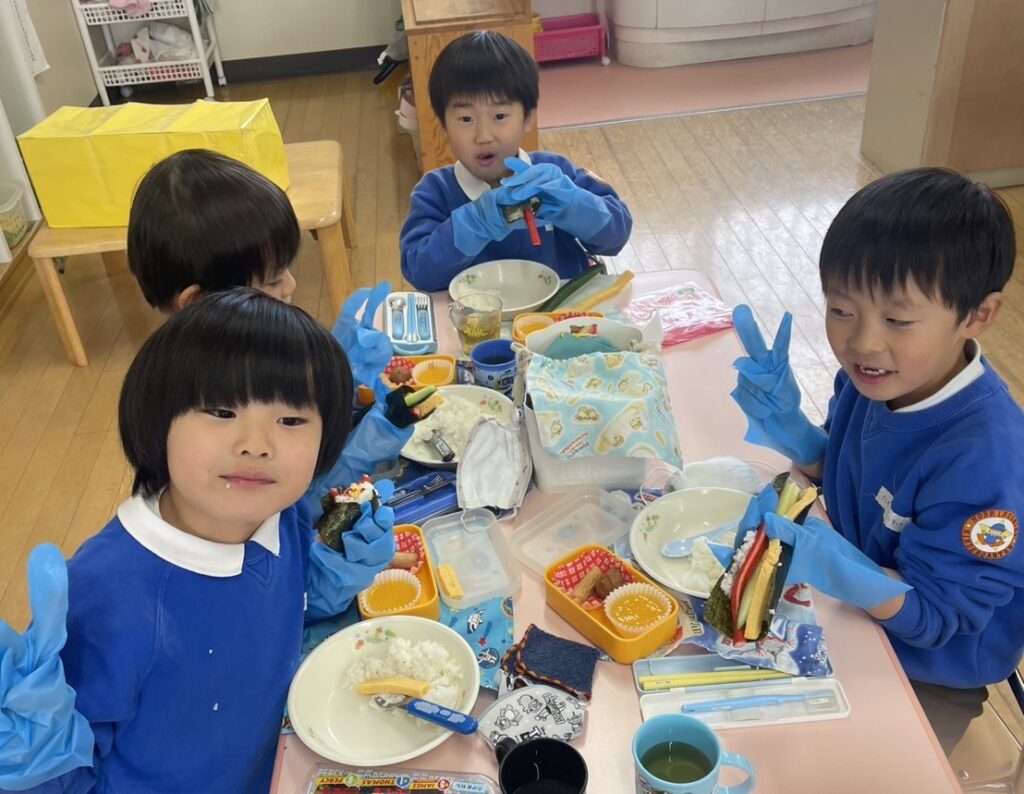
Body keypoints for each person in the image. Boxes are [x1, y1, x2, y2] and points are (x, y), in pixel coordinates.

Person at [0, 290, 396, 792]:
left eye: (291, 420)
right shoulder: (105, 601)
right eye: (221, 411)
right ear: (157, 419)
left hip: (276, 767)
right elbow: (62, 771)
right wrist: (29, 766)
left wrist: (336, 572)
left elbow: (270, 612)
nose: (256, 445)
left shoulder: (282, 514)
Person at [730, 167, 1024, 753]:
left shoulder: (985, 459)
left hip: (928, 671)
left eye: (897, 320)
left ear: (977, 315)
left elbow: (935, 618)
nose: (863, 342)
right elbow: (849, 474)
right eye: (841, 309)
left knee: (822, 765)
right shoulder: (880, 379)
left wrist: (839, 567)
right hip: (847, 611)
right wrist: (795, 433)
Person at [127, 149, 410, 522]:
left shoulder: (239, 356)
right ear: (199, 302)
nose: (290, 286)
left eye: (287, 270)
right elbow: (276, 506)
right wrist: (356, 452)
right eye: (273, 280)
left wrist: (340, 392)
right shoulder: (181, 411)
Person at [399, 30, 633, 293]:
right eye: (466, 119)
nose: (483, 136)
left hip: (563, 313)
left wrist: (573, 206)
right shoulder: (435, 191)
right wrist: (473, 222)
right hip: (478, 317)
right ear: (443, 125)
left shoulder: (555, 175)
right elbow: (419, 271)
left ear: (528, 118)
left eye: (499, 116)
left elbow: (617, 235)